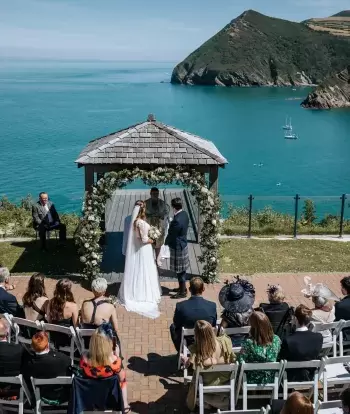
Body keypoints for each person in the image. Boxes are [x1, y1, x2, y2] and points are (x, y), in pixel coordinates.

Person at [118, 203, 161, 319]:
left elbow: (136, 237)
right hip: (144, 249)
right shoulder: (141, 223)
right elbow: (143, 239)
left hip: (139, 250)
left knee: (138, 269)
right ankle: (144, 293)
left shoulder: (135, 222)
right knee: (145, 269)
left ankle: (136, 290)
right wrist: (152, 240)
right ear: (143, 210)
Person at [183, 320, 236, 411]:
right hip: (225, 379)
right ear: (211, 330)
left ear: (196, 335)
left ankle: (206, 402)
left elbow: (189, 365)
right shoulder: (225, 342)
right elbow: (232, 358)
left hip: (207, 382)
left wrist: (185, 360)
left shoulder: (196, 352)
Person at [79, 324, 129, 413]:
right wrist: (117, 356)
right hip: (110, 397)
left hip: (91, 394)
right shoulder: (114, 362)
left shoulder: (84, 359)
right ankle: (125, 404)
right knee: (123, 379)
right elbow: (122, 378)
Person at [21, 331, 71, 404]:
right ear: (47, 345)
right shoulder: (62, 359)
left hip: (41, 394)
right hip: (61, 393)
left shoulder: (28, 364)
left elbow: (27, 381)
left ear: (32, 347)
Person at [170, 277, 217, 352]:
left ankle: (180, 350)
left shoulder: (180, 306)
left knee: (172, 327)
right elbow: (213, 324)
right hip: (206, 340)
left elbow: (176, 323)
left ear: (189, 289)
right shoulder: (212, 306)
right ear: (203, 289)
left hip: (188, 342)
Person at [279, 304, 323, 381]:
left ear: (295, 319)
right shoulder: (319, 337)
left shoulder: (288, 340)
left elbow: (282, 358)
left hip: (291, 377)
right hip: (310, 376)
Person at [238, 311, 281, 384]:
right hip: (272, 378)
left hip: (251, 379)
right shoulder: (277, 340)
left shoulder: (249, 342)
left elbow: (240, 361)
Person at [218, 277, 255, 347]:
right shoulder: (251, 312)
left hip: (230, 344)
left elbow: (221, 330)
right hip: (247, 343)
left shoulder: (227, 314)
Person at [165, 197, 190, 299]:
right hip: (183, 244)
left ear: (173, 207)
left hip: (177, 247)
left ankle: (182, 292)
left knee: (180, 271)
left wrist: (165, 242)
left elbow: (172, 234)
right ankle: (181, 288)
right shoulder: (184, 214)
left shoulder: (177, 220)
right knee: (182, 270)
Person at [44, 279, 78, 349]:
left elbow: (49, 320)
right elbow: (76, 326)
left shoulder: (51, 302)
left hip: (54, 337)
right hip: (67, 340)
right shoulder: (73, 306)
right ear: (69, 290)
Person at [301, 276, 336, 343]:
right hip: (328, 339)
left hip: (313, 341)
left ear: (315, 302)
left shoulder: (312, 314)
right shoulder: (333, 309)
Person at [145, 187, 167, 262]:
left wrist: (162, 215)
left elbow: (166, 212)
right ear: (150, 194)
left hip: (159, 226)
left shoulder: (162, 203)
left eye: (157, 193)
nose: (155, 195)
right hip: (149, 225)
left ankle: (157, 258)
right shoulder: (146, 203)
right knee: (149, 243)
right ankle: (150, 259)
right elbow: (142, 214)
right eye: (154, 193)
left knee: (158, 243)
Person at [335, 276, 350, 341]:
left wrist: (341, 303)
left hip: (345, 337)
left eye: (343, 287)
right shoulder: (341, 304)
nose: (341, 289)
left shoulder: (340, 305)